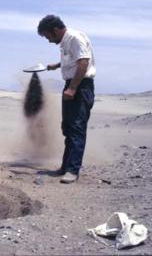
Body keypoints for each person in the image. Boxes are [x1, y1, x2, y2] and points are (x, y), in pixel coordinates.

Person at [37, 15, 96, 184]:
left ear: (55, 30)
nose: (48, 40)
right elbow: (73, 60)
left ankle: (72, 170)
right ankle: (65, 167)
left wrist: (73, 88)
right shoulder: (65, 41)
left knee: (76, 128)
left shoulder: (75, 38)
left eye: (48, 36)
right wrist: (56, 66)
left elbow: (83, 62)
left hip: (80, 86)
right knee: (68, 128)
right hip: (72, 84)